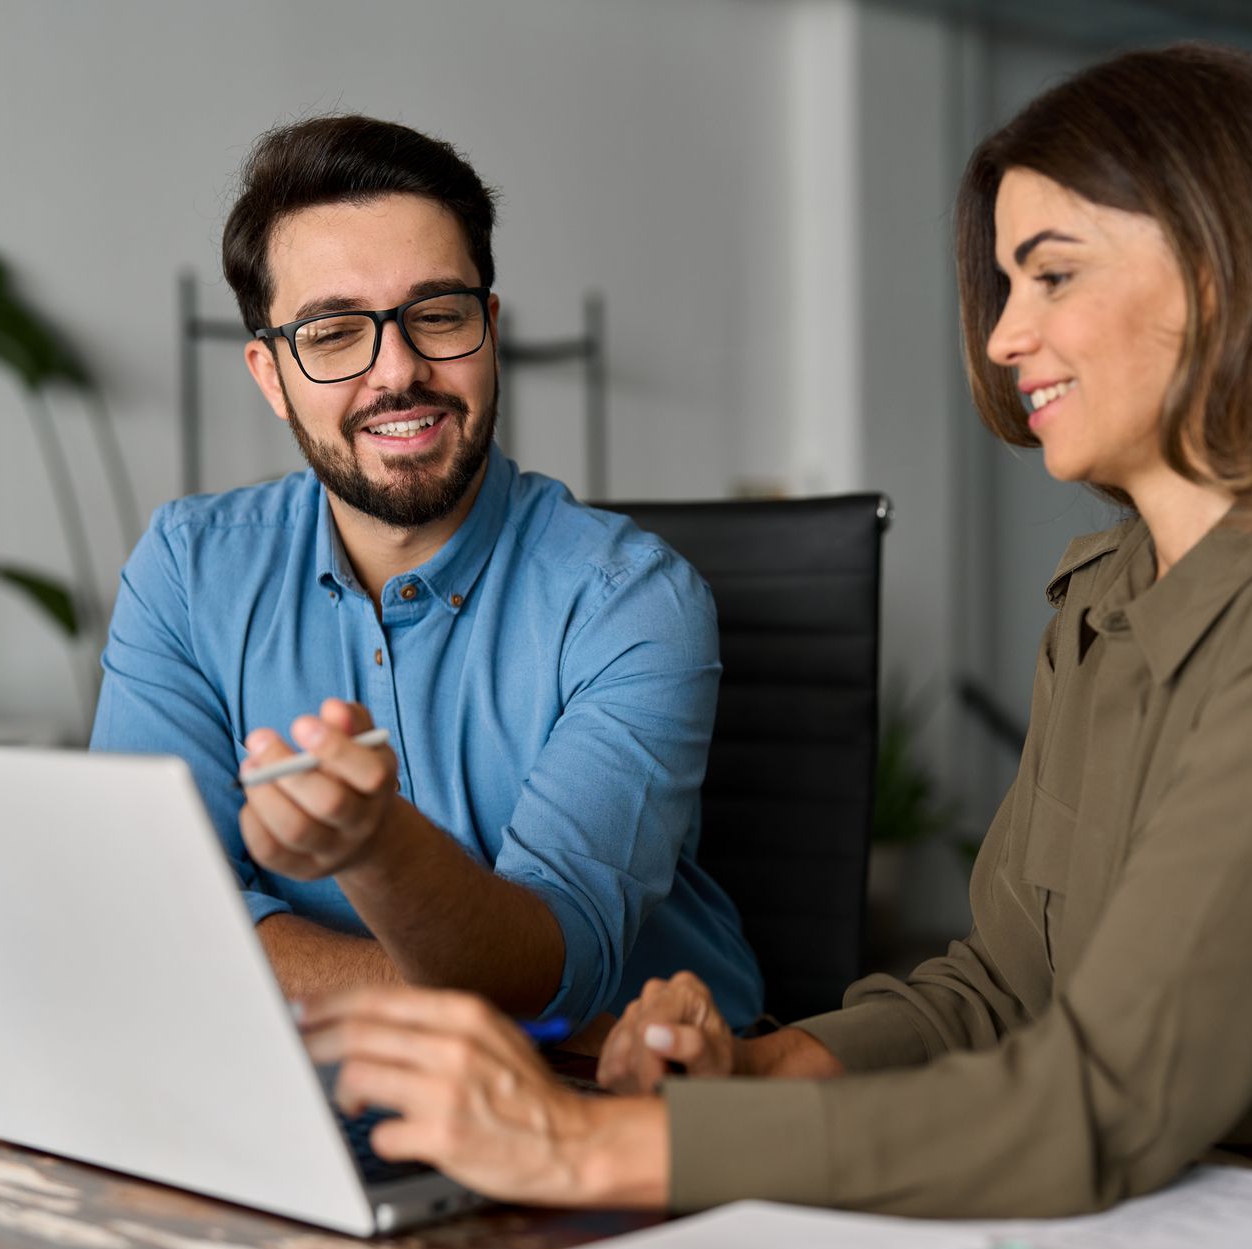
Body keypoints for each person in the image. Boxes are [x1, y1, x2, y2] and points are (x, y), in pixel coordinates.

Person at [298, 44, 1252, 1216]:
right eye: (1007, 281)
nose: (1005, 333)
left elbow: (1099, 1102)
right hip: (1196, 1198)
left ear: (1226, 276)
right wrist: (765, 1064)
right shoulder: (1111, 599)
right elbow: (1002, 984)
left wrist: (580, 1146)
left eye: (1054, 275)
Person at [90, 115, 762, 1035]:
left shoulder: (636, 603)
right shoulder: (186, 570)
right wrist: (416, 1003)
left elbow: (552, 967)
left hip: (623, 1097)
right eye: (332, 333)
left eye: (436, 315)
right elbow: (150, 915)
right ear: (271, 375)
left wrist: (371, 855)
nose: (398, 372)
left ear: (488, 330)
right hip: (314, 1081)